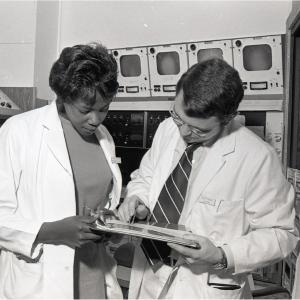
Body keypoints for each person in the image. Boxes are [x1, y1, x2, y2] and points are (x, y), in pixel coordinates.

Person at [118, 58, 299, 299]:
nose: (183, 132)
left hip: (203, 286)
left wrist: (221, 255)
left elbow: (281, 234)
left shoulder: (257, 157)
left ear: (228, 119)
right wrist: (138, 200)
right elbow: (146, 177)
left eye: (199, 130)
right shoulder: (166, 129)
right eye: (178, 117)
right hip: (150, 276)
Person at [0, 42, 123, 299]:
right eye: (85, 109)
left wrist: (108, 220)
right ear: (64, 97)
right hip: (41, 281)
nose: (96, 119)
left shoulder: (104, 137)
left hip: (94, 276)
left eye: (104, 109)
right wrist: (53, 231)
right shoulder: (19, 131)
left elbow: (98, 198)